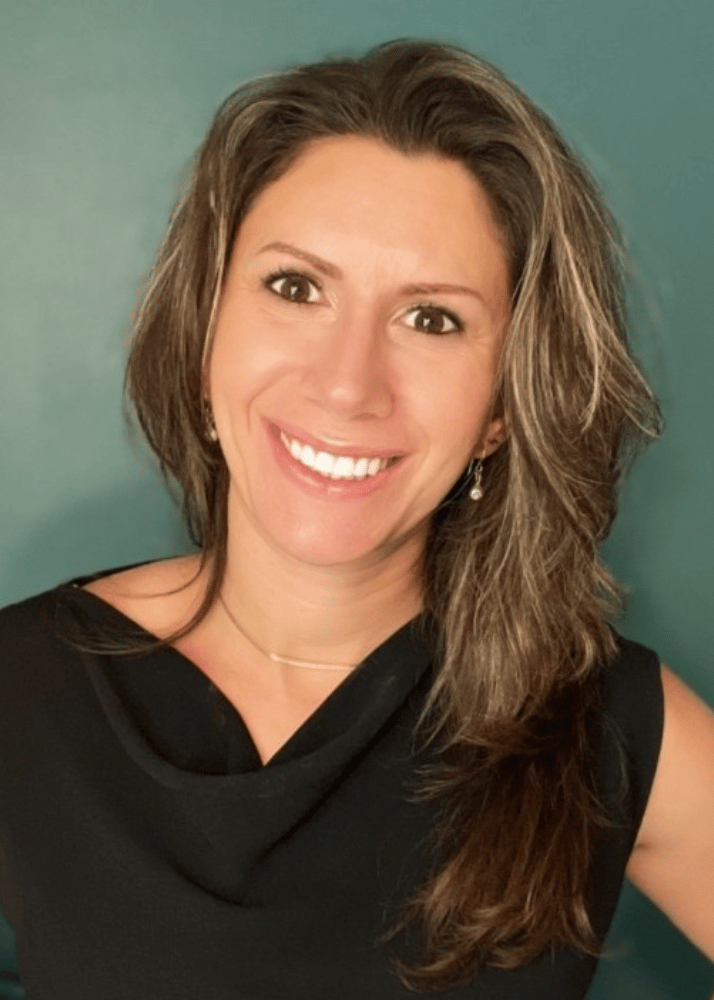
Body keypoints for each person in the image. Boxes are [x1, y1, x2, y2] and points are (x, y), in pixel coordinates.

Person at [0, 39, 712, 1000]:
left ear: (503, 408)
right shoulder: (22, 686)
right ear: (204, 331)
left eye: (432, 319)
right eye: (296, 288)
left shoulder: (601, 721)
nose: (347, 385)